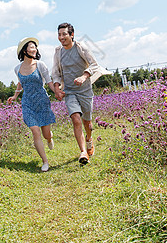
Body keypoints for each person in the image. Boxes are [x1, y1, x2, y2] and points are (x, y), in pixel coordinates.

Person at [52, 22, 111, 165]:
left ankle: (89, 140)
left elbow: (94, 64)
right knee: (76, 119)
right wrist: (57, 88)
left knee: (87, 122)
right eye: (59, 35)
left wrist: (84, 77)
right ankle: (83, 152)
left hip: (85, 91)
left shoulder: (81, 48)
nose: (61, 37)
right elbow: (55, 72)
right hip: (70, 92)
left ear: (72, 35)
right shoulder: (58, 52)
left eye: (64, 34)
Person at [7, 37, 56, 172]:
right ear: (24, 51)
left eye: (35, 47)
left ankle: (49, 137)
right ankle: (45, 161)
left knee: (46, 134)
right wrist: (15, 95)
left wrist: (57, 92)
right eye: (31, 47)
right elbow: (20, 83)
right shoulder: (17, 68)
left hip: (42, 102)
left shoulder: (40, 65)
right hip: (28, 103)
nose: (34, 49)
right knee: (35, 131)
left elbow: (49, 81)